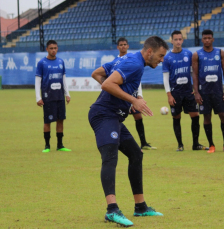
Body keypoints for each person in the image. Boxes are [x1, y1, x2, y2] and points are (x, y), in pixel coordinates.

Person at [88, 36, 168, 227]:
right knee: (110, 157)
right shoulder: (134, 63)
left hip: (114, 115)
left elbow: (97, 74)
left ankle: (140, 207)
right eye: (160, 55)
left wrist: (122, 102)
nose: (162, 60)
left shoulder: (125, 59)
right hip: (103, 115)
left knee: (136, 154)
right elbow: (107, 84)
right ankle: (112, 210)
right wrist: (132, 100)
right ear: (150, 52)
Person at [162, 30, 209, 151]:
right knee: (176, 117)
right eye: (175, 39)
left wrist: (196, 88)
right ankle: (180, 145)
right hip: (175, 93)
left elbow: (194, 73)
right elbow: (165, 78)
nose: (178, 41)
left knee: (195, 116)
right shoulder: (167, 58)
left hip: (189, 92)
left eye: (180, 39)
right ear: (171, 41)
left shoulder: (188, 54)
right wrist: (169, 95)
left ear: (182, 40)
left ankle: (195, 144)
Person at [192, 29, 224, 154]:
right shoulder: (197, 55)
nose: (207, 40)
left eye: (209, 38)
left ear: (213, 39)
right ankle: (211, 145)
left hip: (218, 91)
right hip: (204, 92)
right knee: (207, 117)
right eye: (205, 38)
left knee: (223, 116)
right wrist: (196, 92)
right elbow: (194, 74)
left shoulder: (220, 53)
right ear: (202, 39)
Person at [118, 38, 157, 150]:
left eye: (125, 44)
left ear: (128, 46)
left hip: (133, 94)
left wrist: (139, 94)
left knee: (138, 116)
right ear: (118, 47)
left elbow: (137, 80)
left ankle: (143, 143)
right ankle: (116, 141)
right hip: (122, 95)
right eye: (121, 45)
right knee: (118, 118)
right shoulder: (117, 61)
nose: (123, 46)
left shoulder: (132, 59)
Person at [35, 40, 71, 153]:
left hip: (60, 96)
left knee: (60, 120)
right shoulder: (42, 63)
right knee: (48, 121)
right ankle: (47, 146)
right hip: (48, 96)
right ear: (47, 49)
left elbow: (63, 79)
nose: (53, 50)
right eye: (51, 48)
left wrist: (67, 94)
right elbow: (37, 80)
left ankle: (60, 145)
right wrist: (38, 97)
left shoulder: (61, 61)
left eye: (55, 48)